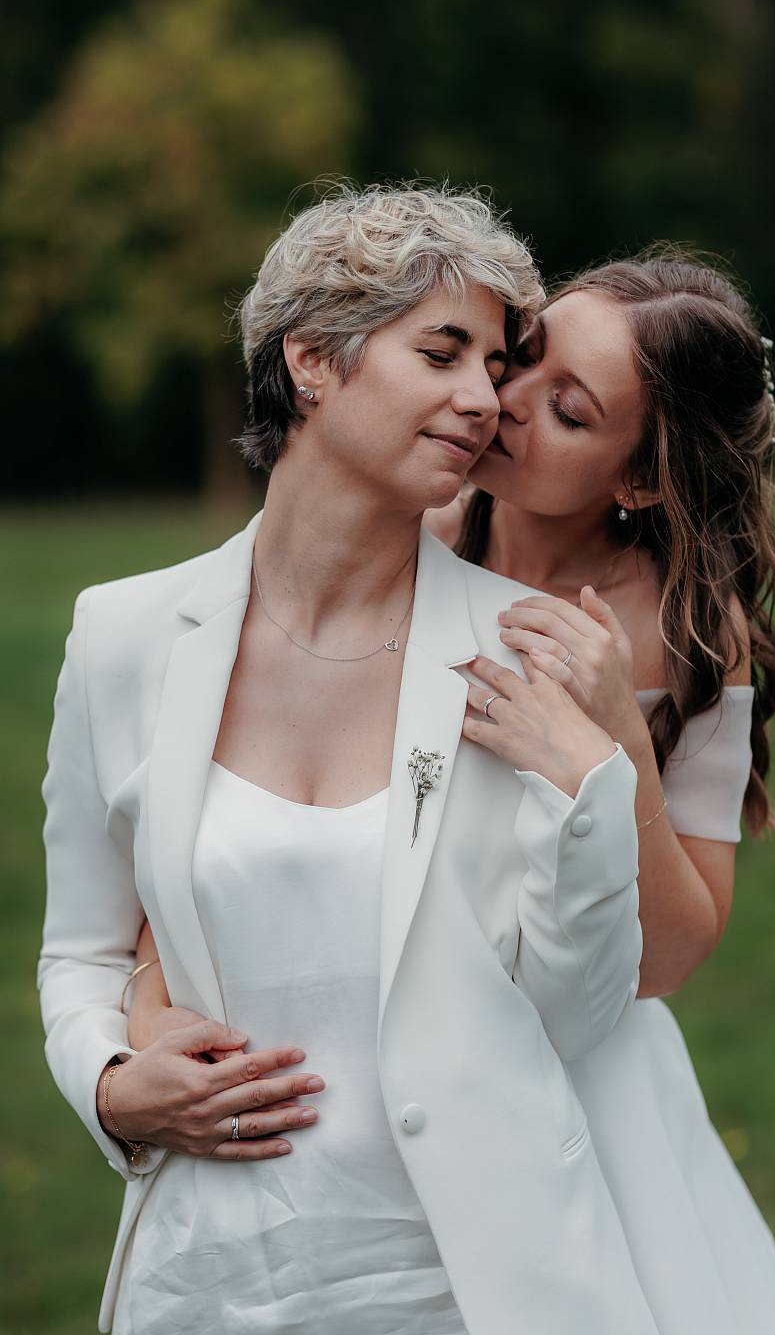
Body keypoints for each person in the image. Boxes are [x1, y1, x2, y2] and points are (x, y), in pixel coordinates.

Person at [129, 248, 775, 1332]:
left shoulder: (683, 631)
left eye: (570, 411)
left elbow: (673, 955)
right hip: (359, 1043)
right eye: (524, 360)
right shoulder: (405, 539)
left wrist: (612, 748)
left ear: (636, 479)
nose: (504, 403)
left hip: (569, 1076)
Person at [38, 185, 664, 1335]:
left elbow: (577, 1016)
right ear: (313, 360)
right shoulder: (122, 636)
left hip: (471, 1282)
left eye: (495, 362)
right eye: (444, 351)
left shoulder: (522, 650)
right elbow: (79, 950)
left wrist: (590, 790)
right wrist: (113, 1087)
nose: (485, 399)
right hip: (212, 1281)